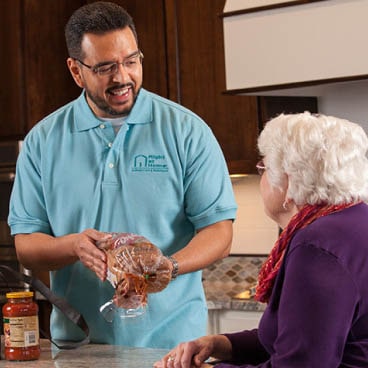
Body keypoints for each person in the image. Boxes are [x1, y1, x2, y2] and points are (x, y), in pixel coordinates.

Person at [8, 1, 237, 349]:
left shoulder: (187, 131)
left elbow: (220, 232)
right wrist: (73, 246)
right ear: (76, 70)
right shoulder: (43, 141)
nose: (122, 77)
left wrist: (168, 267)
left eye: (131, 61)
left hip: (174, 347)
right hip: (78, 346)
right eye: (105, 67)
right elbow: (26, 245)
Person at [154, 112, 368, 367]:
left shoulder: (316, 246)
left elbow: (299, 363)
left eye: (264, 168)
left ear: (288, 182)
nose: (262, 178)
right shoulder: (355, 219)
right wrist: (219, 344)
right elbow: (299, 338)